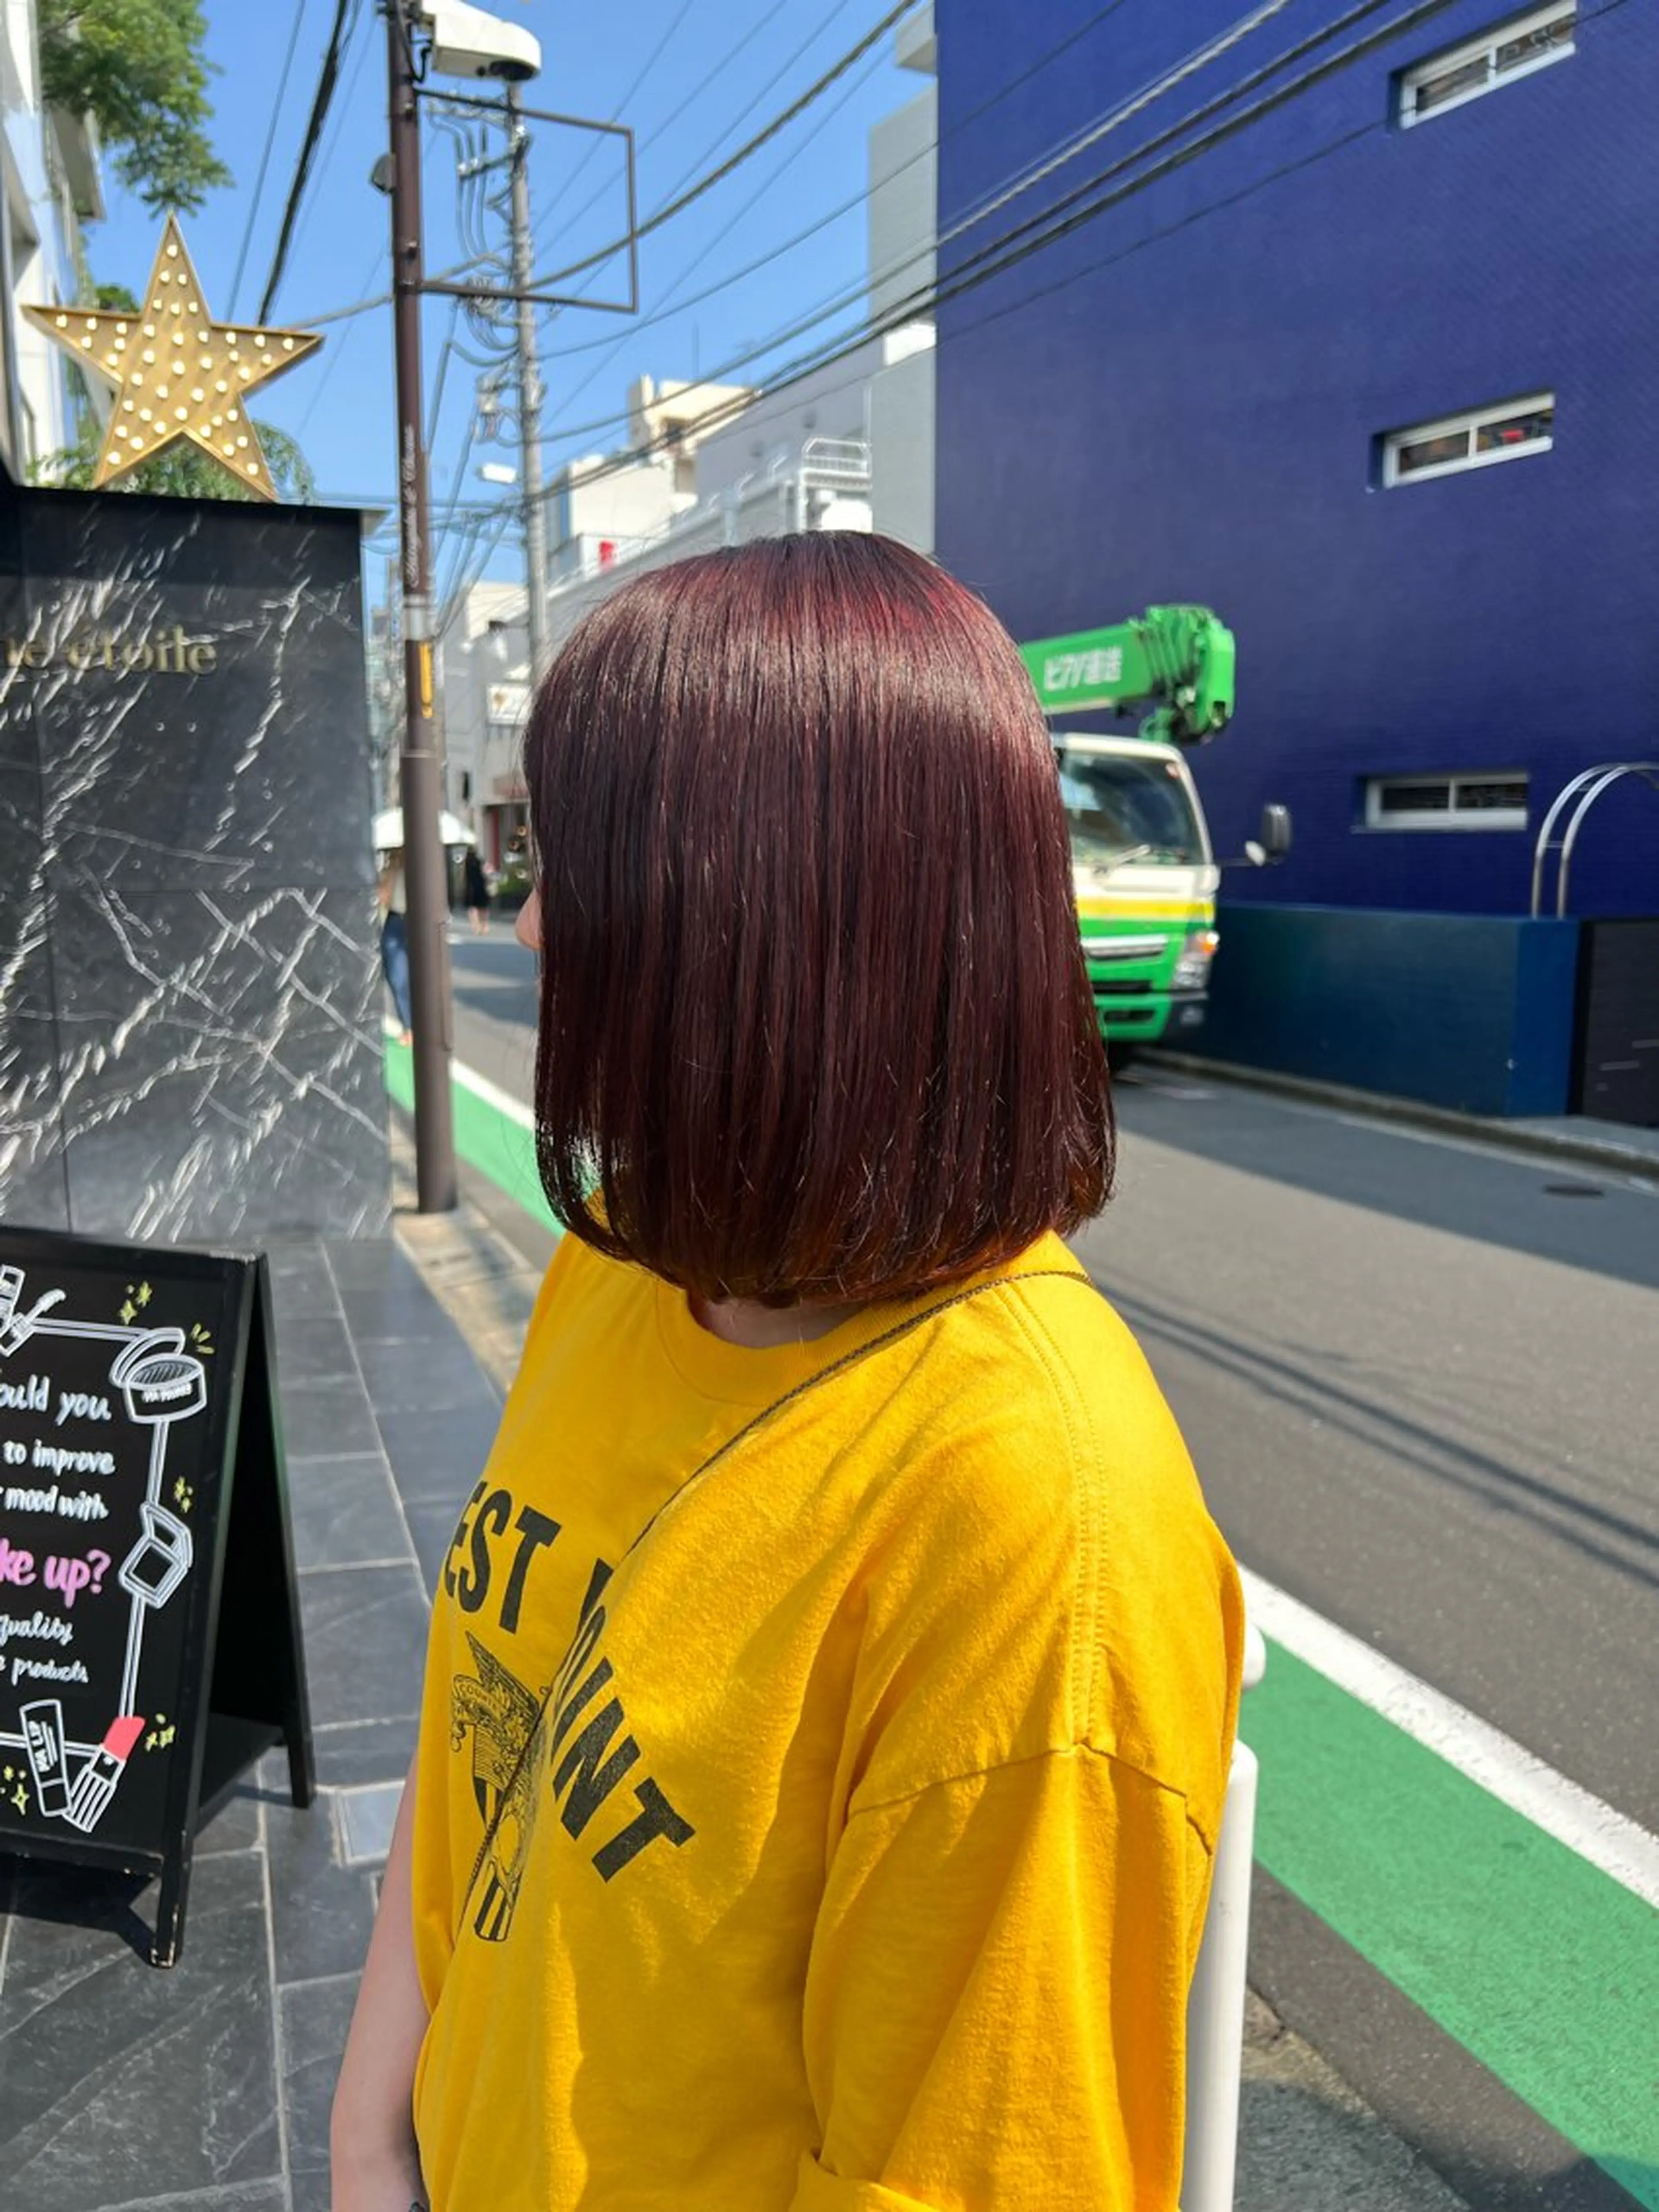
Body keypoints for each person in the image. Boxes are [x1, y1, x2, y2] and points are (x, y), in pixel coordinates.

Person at [331, 534, 1242, 2212]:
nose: (529, 922)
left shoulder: (1036, 1519)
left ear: (776, 935)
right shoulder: (627, 1276)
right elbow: (494, 1759)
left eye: (578, 867)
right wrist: (369, 2132)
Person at [377, 852, 412, 1046]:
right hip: (396, 920)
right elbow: (382, 897)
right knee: (397, 977)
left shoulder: (428, 867)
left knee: (420, 980)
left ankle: (421, 1026)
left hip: (421, 922)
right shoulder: (392, 870)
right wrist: (390, 873)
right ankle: (408, 1026)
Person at [461, 845, 491, 935]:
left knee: (473, 908)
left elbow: (464, 877)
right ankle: (485, 926)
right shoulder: (480, 862)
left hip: (470, 888)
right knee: (483, 907)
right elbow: (486, 873)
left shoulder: (467, 863)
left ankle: (476, 927)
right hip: (481, 887)